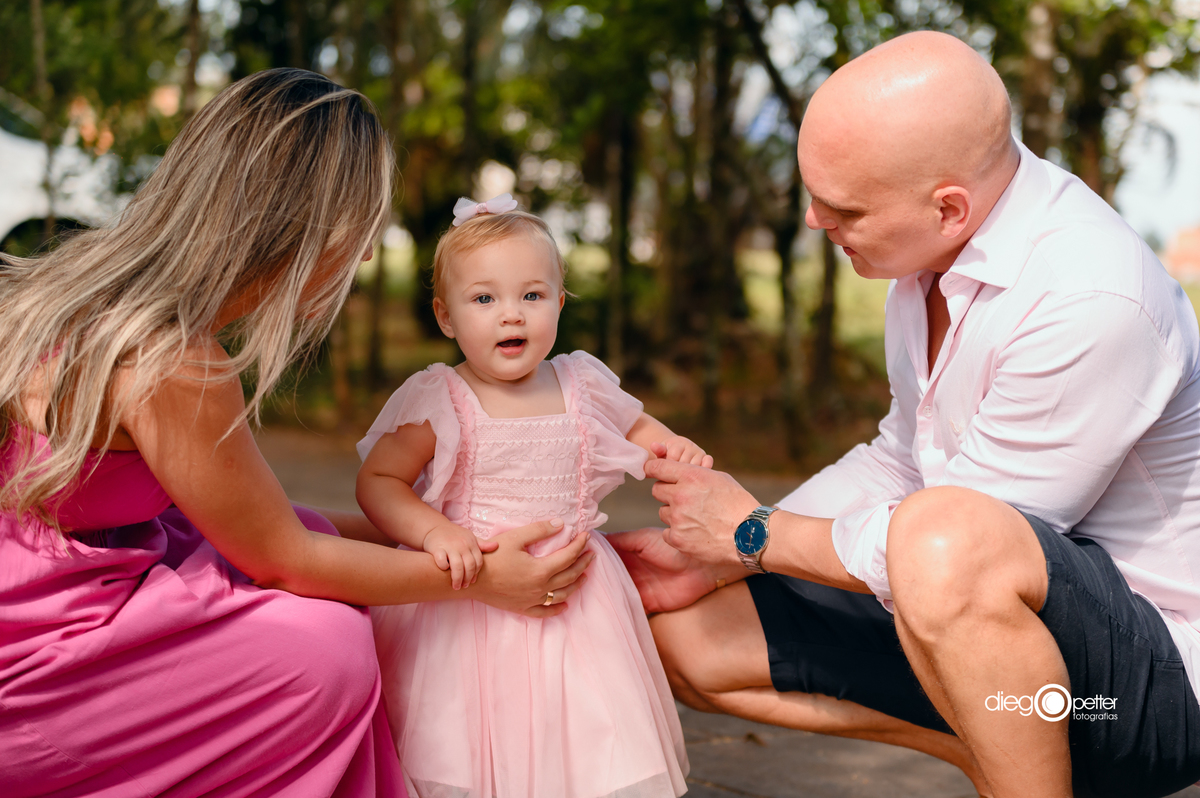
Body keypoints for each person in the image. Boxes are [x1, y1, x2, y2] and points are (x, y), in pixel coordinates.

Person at [610, 31, 1200, 798]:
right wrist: (718, 551)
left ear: (949, 206)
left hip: (1147, 688)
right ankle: (994, 759)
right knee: (692, 636)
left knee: (941, 537)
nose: (816, 221)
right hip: (995, 649)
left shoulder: (1090, 297)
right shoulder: (930, 261)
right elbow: (903, 457)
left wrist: (753, 535)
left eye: (842, 206)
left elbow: (959, 545)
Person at [0, 69, 592, 797]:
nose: (367, 256)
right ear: (304, 228)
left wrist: (449, 530)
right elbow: (283, 559)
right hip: (31, 669)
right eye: (362, 232)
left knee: (321, 537)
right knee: (324, 649)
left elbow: (277, 524)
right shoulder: (172, 359)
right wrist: (481, 582)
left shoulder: (85, 292)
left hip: (46, 583)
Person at [357, 200, 698, 798]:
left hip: (579, 601)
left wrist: (669, 450)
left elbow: (636, 427)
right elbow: (379, 484)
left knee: (588, 732)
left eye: (532, 296)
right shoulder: (443, 398)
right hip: (469, 601)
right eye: (484, 299)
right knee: (468, 739)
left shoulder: (580, 383)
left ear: (560, 302)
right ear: (445, 315)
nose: (510, 315)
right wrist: (435, 533)